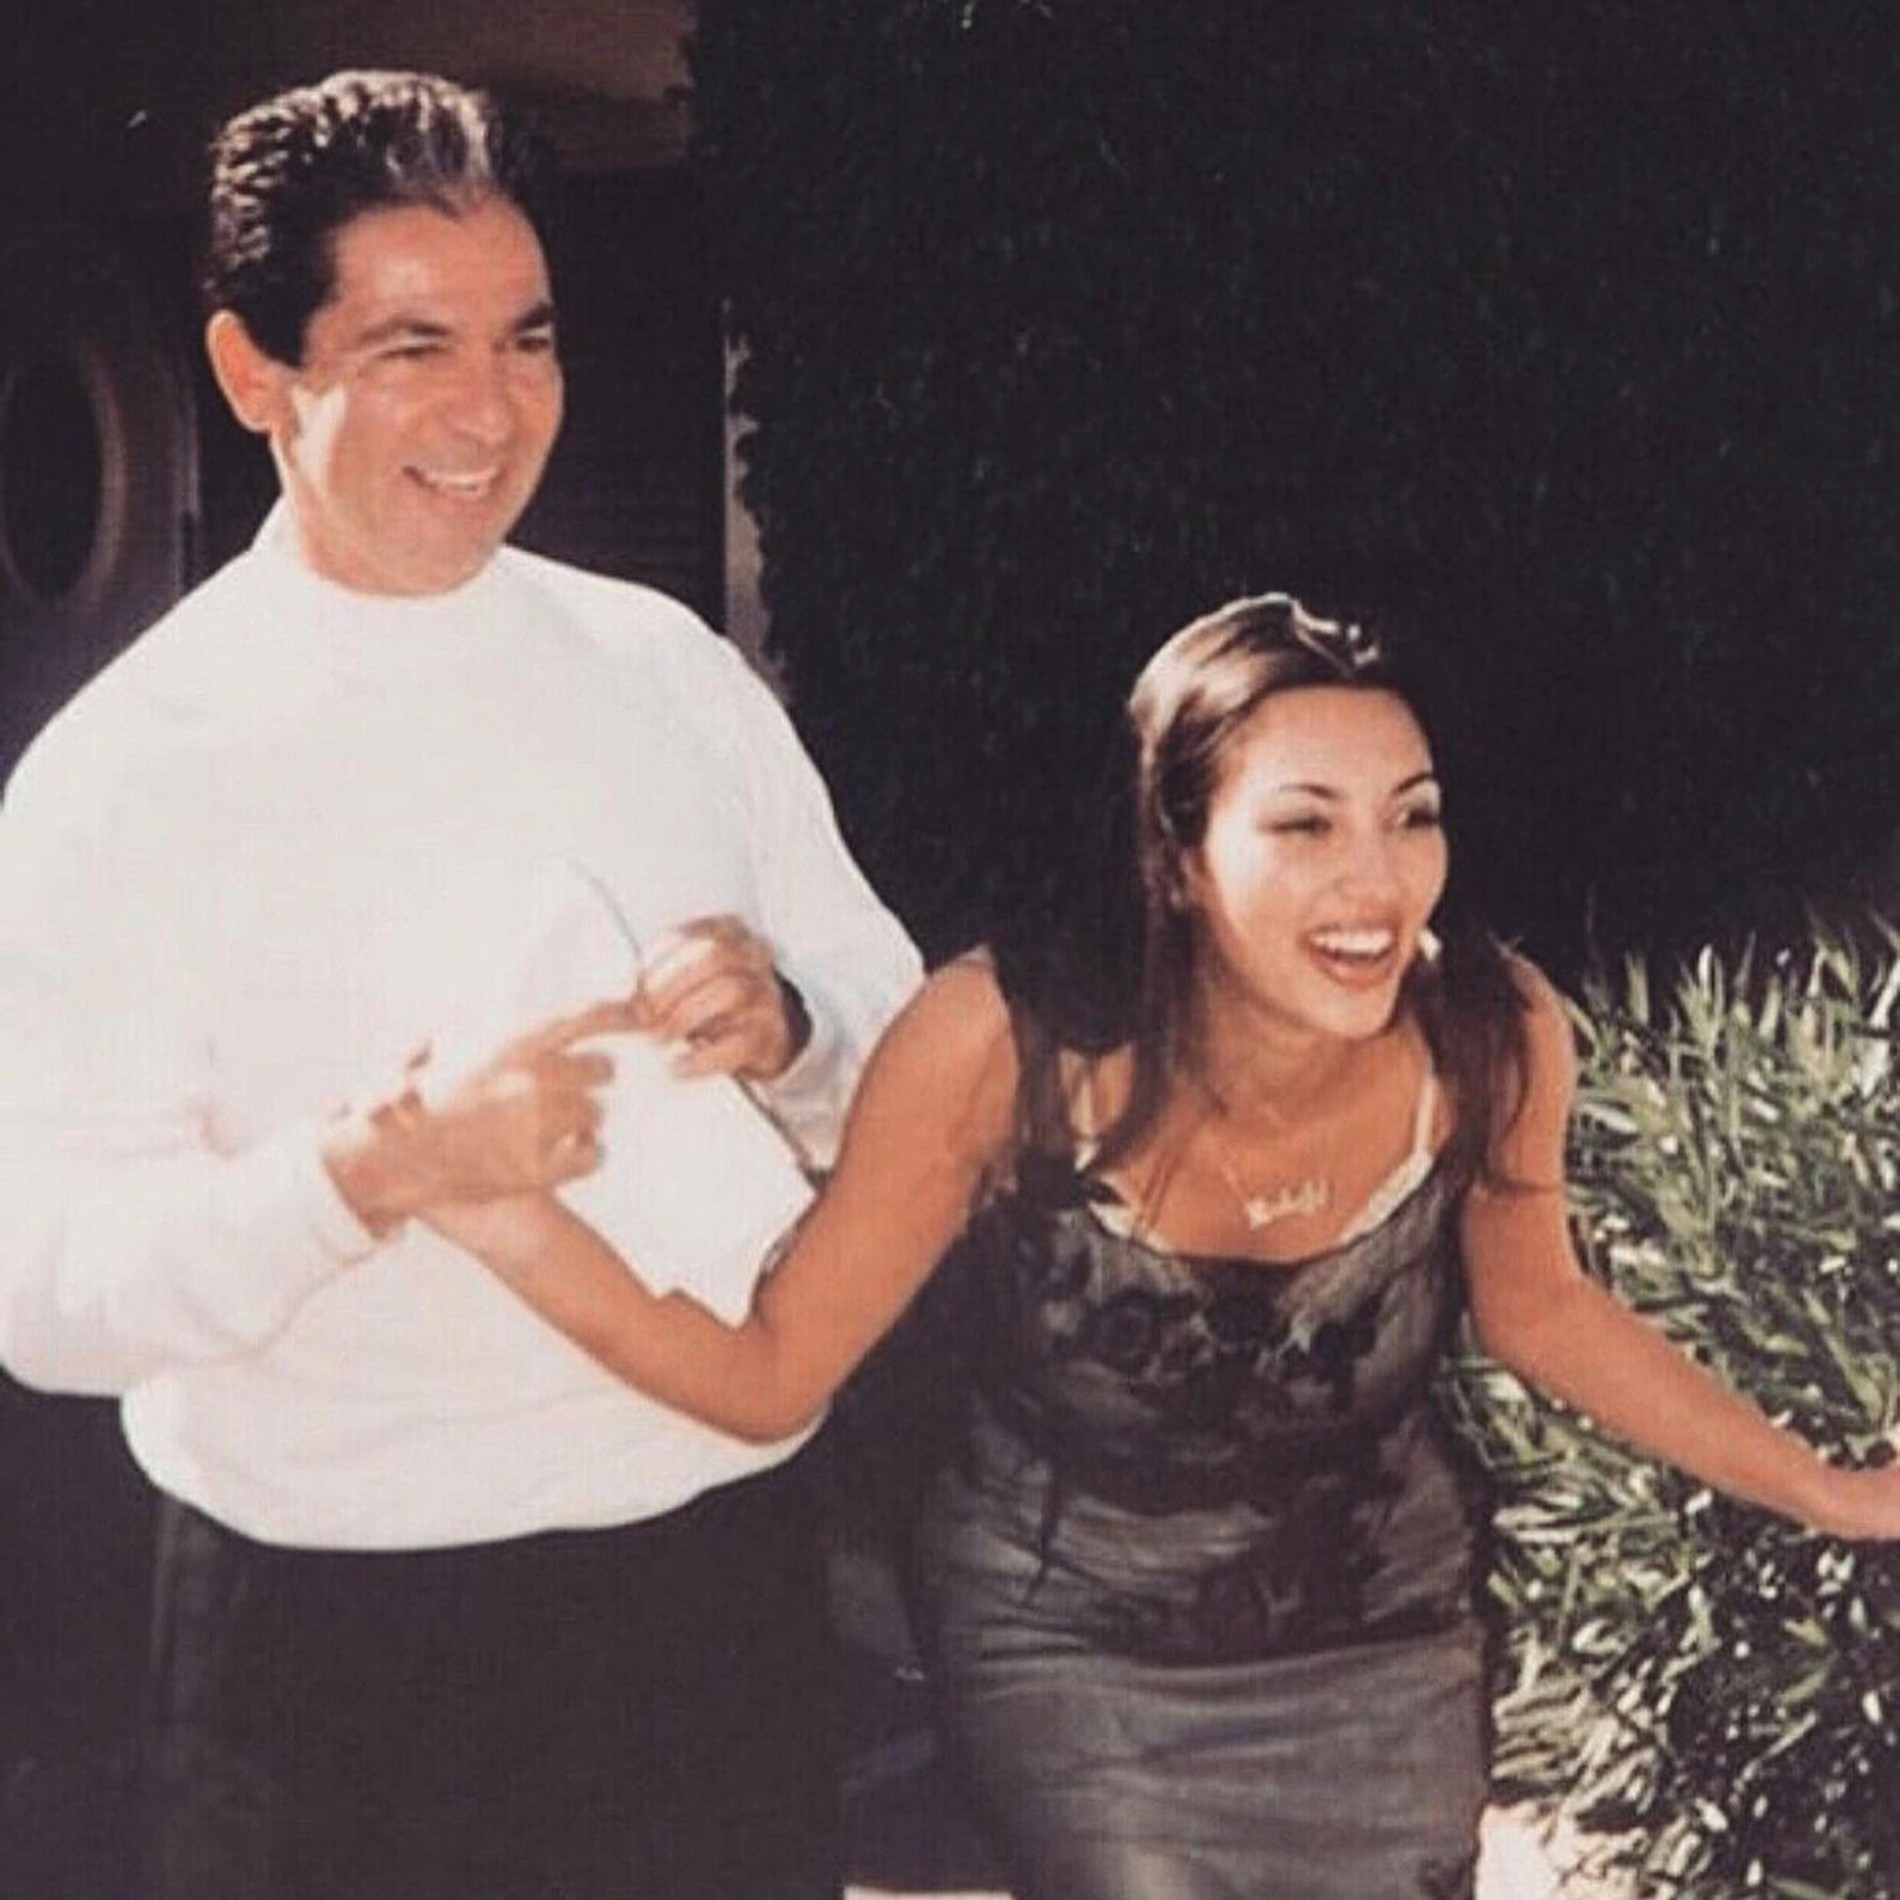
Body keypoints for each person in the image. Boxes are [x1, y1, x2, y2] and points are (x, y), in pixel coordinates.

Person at [431, 591, 1900, 1899]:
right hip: (1070, 1649)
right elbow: (770, 1373)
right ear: (1179, 856)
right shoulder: (998, 1048)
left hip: (1381, 1643)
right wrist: (501, 1216)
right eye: (1305, 824)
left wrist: (1834, 1494)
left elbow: (1546, 1312)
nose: (1379, 881)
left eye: (1412, 815)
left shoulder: (1489, 1037)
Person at [0, 69, 919, 1900]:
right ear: (255, 374)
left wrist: (796, 1027)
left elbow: (891, 1050)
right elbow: (41, 1284)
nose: (490, 411)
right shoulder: (129, 768)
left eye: (528, 338)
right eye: (412, 346)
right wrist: (367, 1173)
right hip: (331, 1652)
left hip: (711, 1600)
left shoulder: (667, 670)